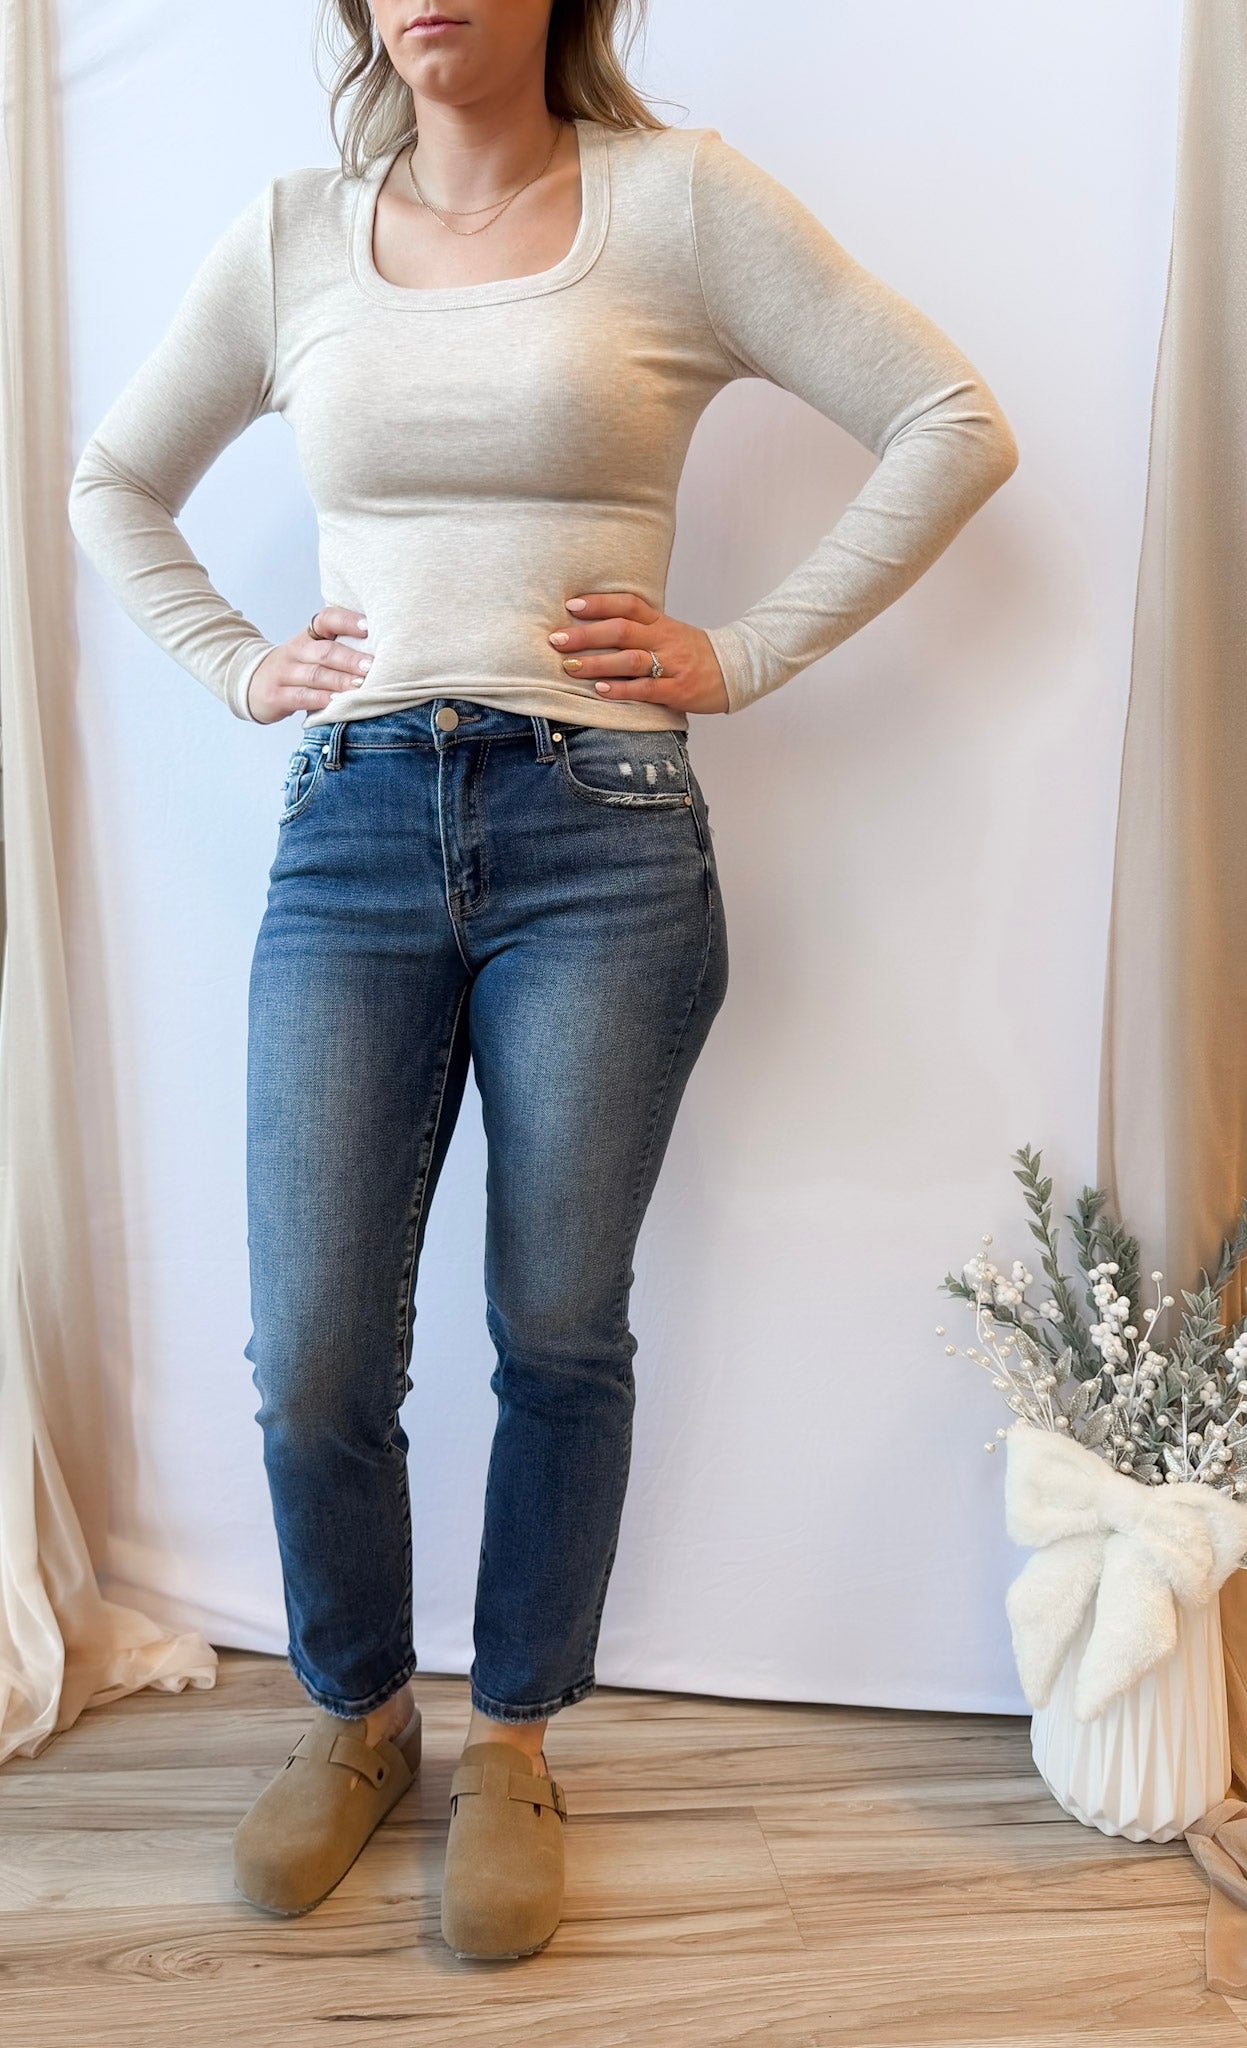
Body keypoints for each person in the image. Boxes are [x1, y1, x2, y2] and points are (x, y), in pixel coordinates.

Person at [66, 0, 1019, 1962]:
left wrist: (741, 650)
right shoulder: (290, 236)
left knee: (557, 1326)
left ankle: (513, 1739)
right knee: (313, 1344)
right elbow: (112, 485)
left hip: (603, 827)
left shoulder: (679, 209)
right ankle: (359, 1717)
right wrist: (238, 660)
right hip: (347, 826)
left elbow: (953, 423)